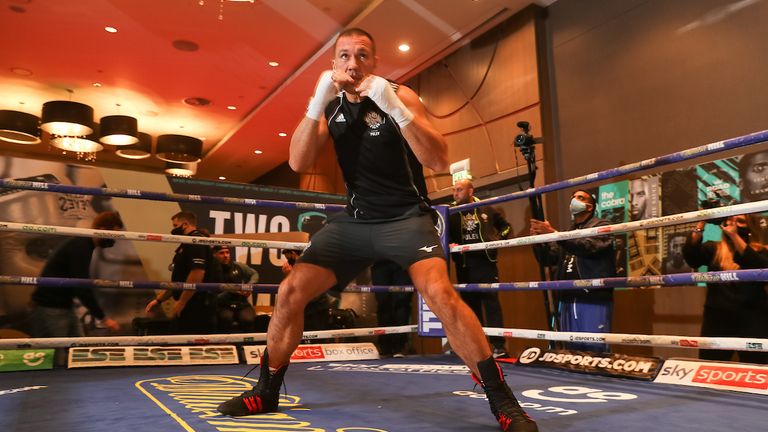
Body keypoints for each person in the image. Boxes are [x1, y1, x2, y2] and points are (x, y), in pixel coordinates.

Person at [218, 28, 538, 432]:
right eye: (344, 56)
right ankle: (266, 391)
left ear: (375, 62)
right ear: (334, 64)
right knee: (289, 292)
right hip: (356, 222)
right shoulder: (330, 106)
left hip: (407, 218)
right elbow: (298, 161)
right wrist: (315, 104)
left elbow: (438, 159)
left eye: (362, 56)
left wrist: (395, 109)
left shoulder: (399, 96)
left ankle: (503, 402)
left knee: (440, 293)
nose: (353, 64)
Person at [529, 190, 616, 352]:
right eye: (573, 197)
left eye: (580, 198)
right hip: (567, 297)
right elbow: (548, 258)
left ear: (589, 207)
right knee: (571, 351)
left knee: (594, 349)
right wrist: (537, 241)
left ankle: (597, 377)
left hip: (591, 296)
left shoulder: (602, 226)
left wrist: (555, 235)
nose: (575, 200)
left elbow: (588, 247)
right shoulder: (568, 232)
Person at [683, 214, 768, 364]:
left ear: (751, 227)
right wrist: (702, 220)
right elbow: (692, 257)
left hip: (753, 318)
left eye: (740, 221)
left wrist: (735, 236)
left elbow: (759, 266)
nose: (733, 224)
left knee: (758, 367)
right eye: (730, 220)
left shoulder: (762, 251)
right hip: (717, 318)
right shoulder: (713, 248)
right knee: (710, 366)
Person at [29, 211, 122, 337]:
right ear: (102, 230)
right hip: (51, 307)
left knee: (77, 349)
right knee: (57, 353)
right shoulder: (81, 247)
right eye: (113, 235)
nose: (114, 240)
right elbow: (81, 286)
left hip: (63, 305)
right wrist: (103, 318)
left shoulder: (84, 244)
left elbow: (80, 284)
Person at [449, 179, 511, 358]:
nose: (455, 193)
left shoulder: (486, 208)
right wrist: (449, 244)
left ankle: (499, 346)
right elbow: (441, 233)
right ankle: (478, 347)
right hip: (464, 265)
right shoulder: (450, 211)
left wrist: (496, 239)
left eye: (459, 190)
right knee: (470, 308)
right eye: (454, 190)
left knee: (492, 305)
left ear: (470, 191)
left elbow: (506, 227)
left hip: (485, 263)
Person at [145, 211, 220, 334]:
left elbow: (197, 273)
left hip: (196, 306)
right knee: (179, 342)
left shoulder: (195, 241)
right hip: (190, 303)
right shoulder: (187, 243)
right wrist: (159, 300)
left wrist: (182, 302)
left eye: (175, 225)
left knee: (189, 344)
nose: (173, 229)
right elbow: (179, 279)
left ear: (184, 224)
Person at [371, 259, 413, 358]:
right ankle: (385, 346)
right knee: (383, 304)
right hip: (380, 261)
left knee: (402, 304)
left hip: (402, 260)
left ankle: (400, 346)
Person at [213, 246, 259, 332]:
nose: (226, 255)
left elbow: (254, 274)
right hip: (222, 305)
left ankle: (246, 345)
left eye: (227, 252)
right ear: (214, 255)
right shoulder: (211, 270)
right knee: (226, 318)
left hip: (241, 304)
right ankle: (225, 344)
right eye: (221, 253)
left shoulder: (238, 266)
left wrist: (248, 287)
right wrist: (230, 291)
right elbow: (213, 296)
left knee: (248, 319)